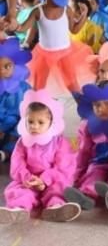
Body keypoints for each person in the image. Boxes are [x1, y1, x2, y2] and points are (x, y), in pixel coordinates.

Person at [0, 89, 80, 223]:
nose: (34, 126)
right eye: (30, 121)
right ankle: (18, 210)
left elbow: (63, 166)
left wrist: (44, 180)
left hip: (51, 180)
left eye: (40, 122)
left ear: (51, 122)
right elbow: (17, 164)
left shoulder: (60, 142)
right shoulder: (23, 141)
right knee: (20, 191)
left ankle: (56, 207)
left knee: (58, 189)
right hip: (28, 181)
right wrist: (28, 179)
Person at [63, 81, 108, 221]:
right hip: (98, 162)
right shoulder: (88, 125)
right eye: (97, 105)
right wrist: (75, 176)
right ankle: (86, 197)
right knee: (92, 176)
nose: (102, 109)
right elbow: (82, 152)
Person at [16, 0, 95, 95]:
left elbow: (74, 30)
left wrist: (84, 14)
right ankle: (35, 110)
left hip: (65, 54)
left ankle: (85, 112)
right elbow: (22, 28)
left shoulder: (66, 9)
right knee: (38, 86)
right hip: (44, 55)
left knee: (73, 85)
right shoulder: (38, 11)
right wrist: (11, 24)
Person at [0, 38, 32, 163]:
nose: (2, 70)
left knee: (23, 134)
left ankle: (6, 153)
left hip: (15, 126)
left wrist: (2, 129)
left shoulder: (20, 88)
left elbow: (16, 114)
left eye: (7, 66)